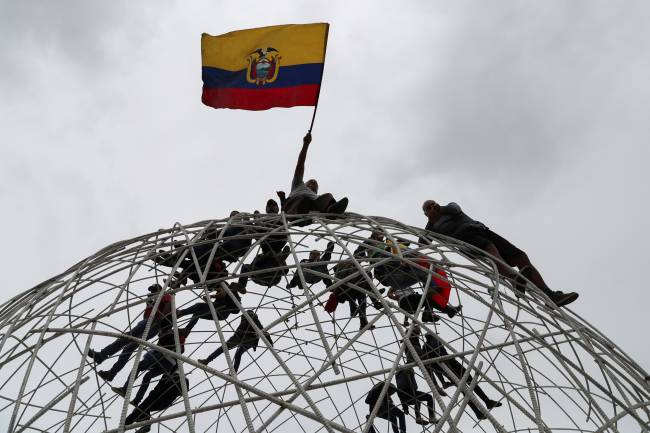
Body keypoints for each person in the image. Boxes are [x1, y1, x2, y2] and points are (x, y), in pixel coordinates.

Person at [421, 200, 578, 307]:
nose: (432, 207)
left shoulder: (449, 208)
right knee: (490, 250)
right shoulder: (432, 227)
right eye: (428, 208)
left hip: (479, 229)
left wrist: (438, 209)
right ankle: (513, 278)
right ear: (425, 214)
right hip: (466, 241)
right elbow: (423, 242)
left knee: (520, 256)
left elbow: (454, 209)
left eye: (433, 204)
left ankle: (550, 295)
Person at [89, 284, 173, 382]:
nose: (152, 292)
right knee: (127, 349)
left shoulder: (165, 295)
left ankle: (102, 355)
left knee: (126, 338)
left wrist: (161, 319)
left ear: (159, 289)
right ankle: (111, 373)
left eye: (154, 290)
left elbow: (168, 304)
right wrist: (149, 303)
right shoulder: (154, 303)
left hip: (154, 323)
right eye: (151, 291)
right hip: (149, 323)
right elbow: (146, 316)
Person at [422, 332, 502, 420]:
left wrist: (442, 381)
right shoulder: (432, 343)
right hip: (450, 366)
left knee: (467, 388)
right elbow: (433, 364)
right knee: (468, 387)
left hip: (449, 367)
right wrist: (442, 381)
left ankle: (483, 406)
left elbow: (433, 366)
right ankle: (482, 406)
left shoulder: (427, 346)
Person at [111, 325, 190, 406]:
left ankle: (125, 389)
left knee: (138, 367)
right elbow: (178, 360)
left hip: (161, 357)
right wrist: (170, 373)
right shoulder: (181, 344)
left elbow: (162, 341)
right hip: (169, 365)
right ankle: (137, 400)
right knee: (147, 376)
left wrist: (162, 334)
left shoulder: (172, 335)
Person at [281, 133, 348, 215]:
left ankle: (332, 210)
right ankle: (301, 214)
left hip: (310, 210)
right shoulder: (297, 184)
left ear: (316, 191)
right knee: (305, 201)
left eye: (315, 184)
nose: (312, 182)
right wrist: (306, 144)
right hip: (294, 207)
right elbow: (300, 164)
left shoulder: (316, 197)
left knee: (328, 196)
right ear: (304, 183)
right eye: (310, 182)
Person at [198, 310, 272, 371]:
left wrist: (270, 343)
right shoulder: (245, 317)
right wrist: (270, 343)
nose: (244, 318)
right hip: (240, 337)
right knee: (228, 350)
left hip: (249, 339)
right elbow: (264, 332)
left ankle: (232, 371)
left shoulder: (253, 319)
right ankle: (208, 360)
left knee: (235, 352)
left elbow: (264, 332)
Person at [124, 370, 188, 432]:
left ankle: (125, 425)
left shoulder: (170, 372)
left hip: (160, 395)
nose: (139, 420)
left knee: (139, 410)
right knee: (143, 409)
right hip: (166, 400)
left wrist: (124, 425)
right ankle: (145, 425)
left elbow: (160, 385)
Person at [176, 281, 247, 329]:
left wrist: (211, 296)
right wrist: (207, 300)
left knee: (198, 305)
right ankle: (187, 330)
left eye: (217, 288)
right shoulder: (227, 294)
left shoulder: (228, 290)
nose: (216, 289)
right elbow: (210, 306)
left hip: (222, 311)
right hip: (220, 313)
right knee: (197, 313)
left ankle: (181, 312)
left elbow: (222, 295)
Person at [331, 259, 376, 331]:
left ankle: (363, 322)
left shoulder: (351, 268)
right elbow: (347, 279)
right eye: (349, 263)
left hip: (355, 289)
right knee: (359, 298)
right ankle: (374, 298)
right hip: (348, 290)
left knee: (362, 303)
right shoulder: (341, 271)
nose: (351, 264)